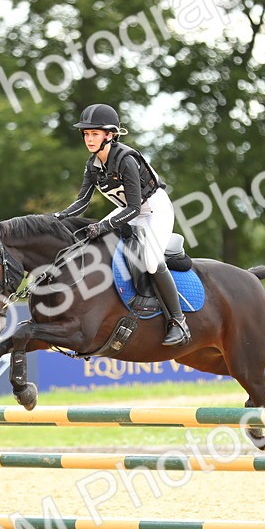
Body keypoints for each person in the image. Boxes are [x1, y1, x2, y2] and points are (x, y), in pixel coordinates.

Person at [53, 103, 191, 347]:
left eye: (95, 133)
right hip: (129, 209)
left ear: (109, 135)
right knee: (93, 240)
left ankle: (178, 322)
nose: (89, 139)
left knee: (151, 261)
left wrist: (103, 226)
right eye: (86, 134)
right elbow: (82, 201)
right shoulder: (93, 165)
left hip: (155, 210)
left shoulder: (125, 159)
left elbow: (135, 208)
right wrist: (57, 217)